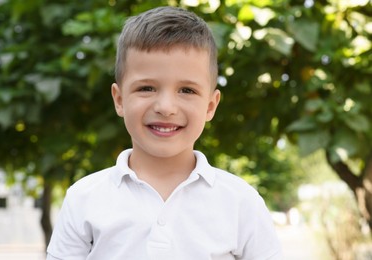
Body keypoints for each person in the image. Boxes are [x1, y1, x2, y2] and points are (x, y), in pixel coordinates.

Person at [46, 6, 283, 260]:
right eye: (147, 88)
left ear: (211, 106)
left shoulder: (240, 202)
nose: (166, 107)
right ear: (119, 99)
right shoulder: (84, 199)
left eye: (187, 91)